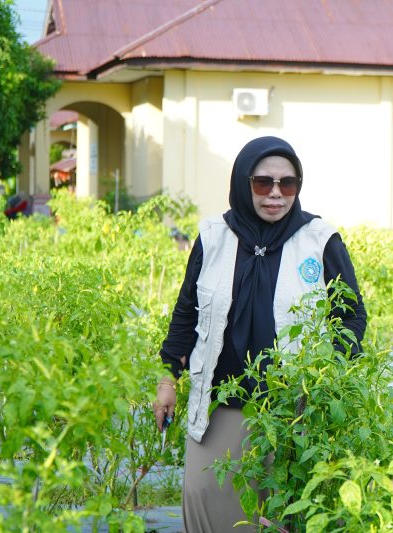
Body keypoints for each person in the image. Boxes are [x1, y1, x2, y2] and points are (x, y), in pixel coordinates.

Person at [152, 136, 367, 532]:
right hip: (220, 407)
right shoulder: (214, 237)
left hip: (291, 412)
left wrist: (325, 382)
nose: (275, 194)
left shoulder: (319, 240)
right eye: (262, 182)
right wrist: (168, 378)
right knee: (207, 502)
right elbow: (186, 313)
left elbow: (351, 318)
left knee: (279, 516)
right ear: (241, 182)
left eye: (288, 183)